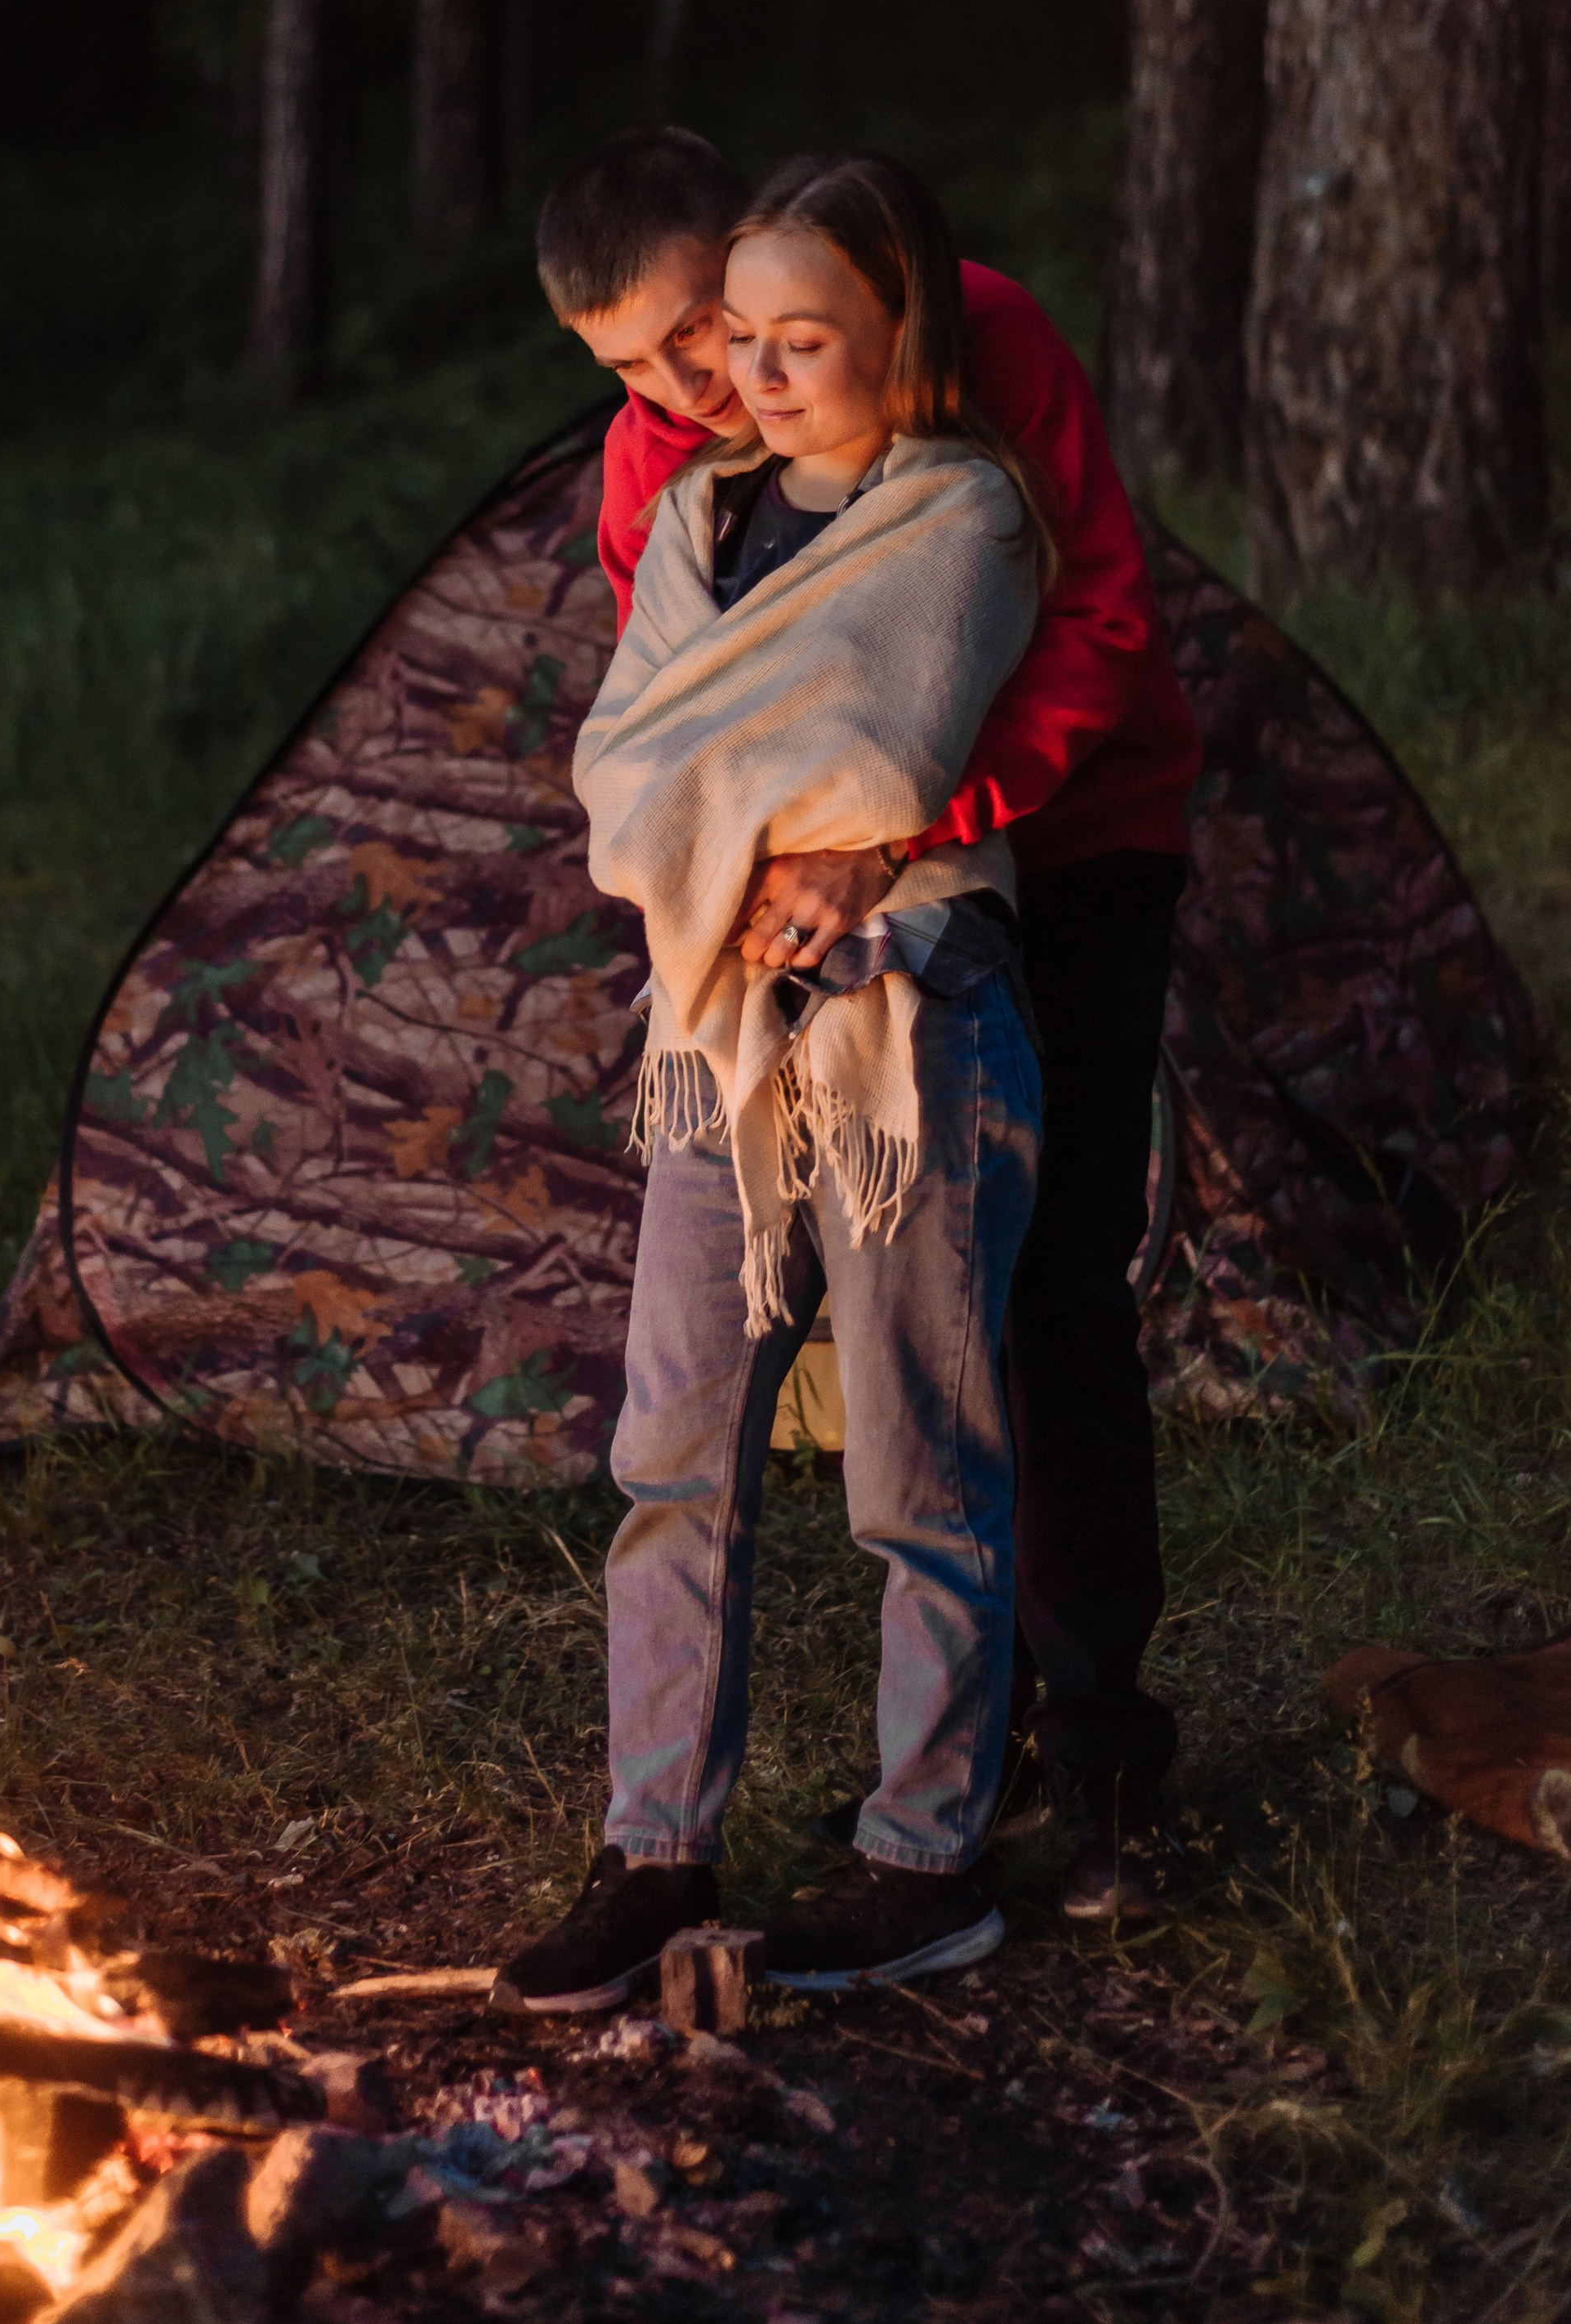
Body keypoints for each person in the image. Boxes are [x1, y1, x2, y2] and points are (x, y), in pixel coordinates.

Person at [536, 126, 1202, 1928]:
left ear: (763, 271)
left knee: (1043, 1293)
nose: (699, 386)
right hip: (798, 928)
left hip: (1055, 837)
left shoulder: (973, 344)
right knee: (721, 1383)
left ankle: (1089, 1746)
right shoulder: (667, 473)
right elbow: (698, 730)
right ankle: (826, 1780)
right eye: (645, 368)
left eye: (715, 332)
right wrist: (760, 867)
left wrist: (894, 832)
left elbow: (1095, 630)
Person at [495, 157, 1051, 2011]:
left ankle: (923, 1855)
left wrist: (828, 840)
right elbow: (623, 765)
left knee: (913, 1456)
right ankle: (654, 1845)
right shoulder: (693, 521)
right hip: (716, 1034)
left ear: (899, 331)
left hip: (911, 1021)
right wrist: (762, 841)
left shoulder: (959, 512)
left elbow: (882, 752)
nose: (752, 376)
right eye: (743, 342)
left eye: (796, 340)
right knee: (670, 1444)